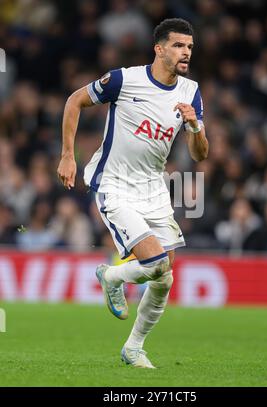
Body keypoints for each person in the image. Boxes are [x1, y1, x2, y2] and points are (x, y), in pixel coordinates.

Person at [57, 18, 209, 369]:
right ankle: (111, 277)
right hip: (115, 182)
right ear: (159, 48)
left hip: (154, 187)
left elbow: (201, 154)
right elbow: (74, 101)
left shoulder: (191, 92)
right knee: (155, 263)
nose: (185, 52)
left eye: (189, 46)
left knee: (165, 273)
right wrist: (68, 154)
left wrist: (195, 126)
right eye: (178, 45)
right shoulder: (125, 79)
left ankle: (133, 347)